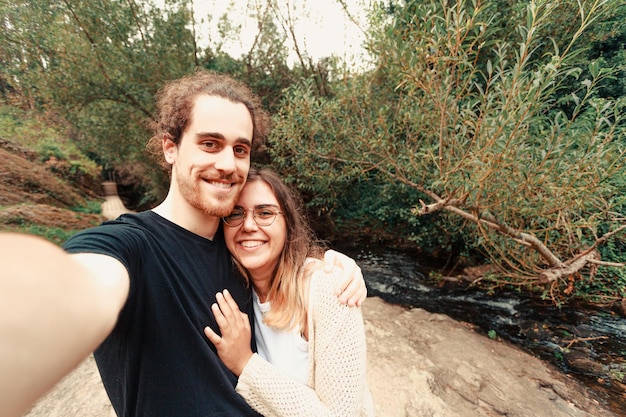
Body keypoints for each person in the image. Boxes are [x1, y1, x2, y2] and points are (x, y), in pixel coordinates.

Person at [0, 70, 367, 417]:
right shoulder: (132, 247)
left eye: (240, 149)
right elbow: (80, 283)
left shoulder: (238, 250)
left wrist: (335, 265)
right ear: (170, 148)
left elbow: (285, 261)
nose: (227, 163)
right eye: (210, 143)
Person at [204, 167, 374, 416]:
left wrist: (246, 364)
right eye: (235, 213)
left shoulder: (329, 288)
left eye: (265, 213)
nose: (249, 225)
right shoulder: (234, 289)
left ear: (288, 224)